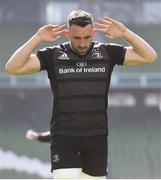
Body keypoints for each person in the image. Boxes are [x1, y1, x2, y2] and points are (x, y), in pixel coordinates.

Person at [5, 10, 157, 179]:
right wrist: (37, 38)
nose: (83, 43)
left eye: (87, 37)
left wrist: (125, 33)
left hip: (96, 137)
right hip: (63, 137)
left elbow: (149, 56)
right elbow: (13, 68)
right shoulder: (53, 54)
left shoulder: (107, 52)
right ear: (68, 33)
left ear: (93, 33)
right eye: (77, 38)